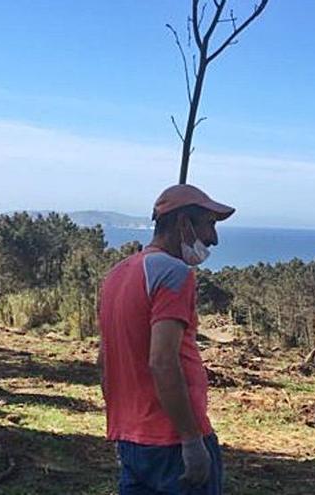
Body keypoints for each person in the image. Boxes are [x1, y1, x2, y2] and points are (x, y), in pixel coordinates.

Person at [98, 184, 235, 495]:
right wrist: (191, 439)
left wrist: (123, 428)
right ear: (183, 222)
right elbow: (162, 361)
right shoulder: (173, 273)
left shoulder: (117, 275)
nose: (213, 238)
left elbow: (104, 362)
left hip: (132, 439)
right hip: (171, 440)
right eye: (209, 224)